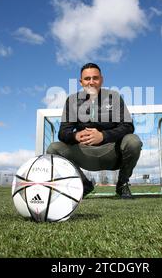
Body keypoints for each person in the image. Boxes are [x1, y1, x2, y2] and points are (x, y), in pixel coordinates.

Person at [46, 63, 142, 199]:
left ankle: (122, 184)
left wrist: (103, 136)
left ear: (101, 80)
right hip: (85, 154)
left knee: (133, 141)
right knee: (53, 148)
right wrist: (75, 135)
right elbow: (63, 133)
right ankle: (84, 185)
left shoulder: (113, 97)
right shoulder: (72, 100)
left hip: (112, 153)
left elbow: (128, 126)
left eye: (95, 78)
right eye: (87, 79)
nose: (91, 82)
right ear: (81, 82)